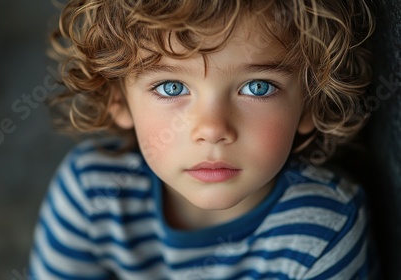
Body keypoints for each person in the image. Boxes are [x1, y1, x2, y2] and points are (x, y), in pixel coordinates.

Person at [29, 0, 377, 279]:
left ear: (309, 102)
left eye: (257, 87)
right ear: (117, 98)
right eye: (172, 87)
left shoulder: (323, 229)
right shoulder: (92, 194)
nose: (212, 129)